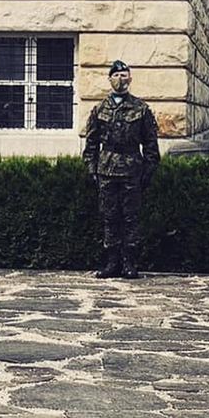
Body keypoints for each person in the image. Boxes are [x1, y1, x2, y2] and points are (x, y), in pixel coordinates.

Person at [82, 60, 160, 279]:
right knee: (109, 217)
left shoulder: (141, 109)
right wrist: (92, 169)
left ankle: (129, 263)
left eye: (124, 75)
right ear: (109, 79)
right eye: (116, 76)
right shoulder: (99, 109)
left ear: (130, 79)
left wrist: (147, 171)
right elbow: (91, 144)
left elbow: (151, 144)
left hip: (131, 169)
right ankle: (111, 263)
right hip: (106, 169)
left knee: (131, 218)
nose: (120, 79)